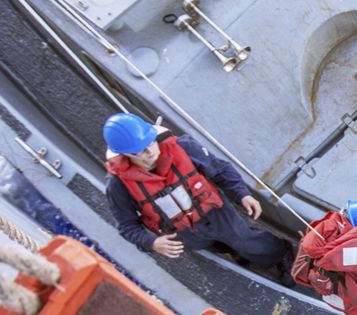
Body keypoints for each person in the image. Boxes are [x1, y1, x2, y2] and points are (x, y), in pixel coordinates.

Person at [102, 112, 292, 282]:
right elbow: (127, 225)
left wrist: (242, 194)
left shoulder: (183, 147)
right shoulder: (118, 185)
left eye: (150, 142)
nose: (150, 153)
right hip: (182, 231)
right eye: (140, 151)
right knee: (217, 246)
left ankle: (280, 253)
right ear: (125, 155)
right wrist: (151, 242)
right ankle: (235, 251)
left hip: (215, 213)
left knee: (243, 238)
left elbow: (221, 169)